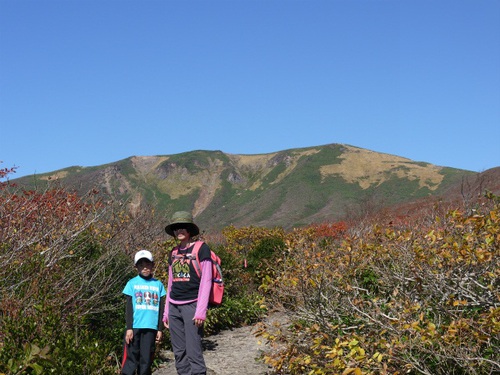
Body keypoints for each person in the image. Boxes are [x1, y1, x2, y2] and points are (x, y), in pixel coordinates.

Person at [163, 211, 213, 375]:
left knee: (193, 351)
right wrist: (166, 312)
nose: (179, 230)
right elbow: (170, 282)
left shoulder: (201, 249)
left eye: (183, 227)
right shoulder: (173, 252)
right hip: (174, 307)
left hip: (192, 306)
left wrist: (201, 311)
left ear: (190, 230)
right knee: (179, 353)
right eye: (176, 228)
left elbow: (206, 280)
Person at [122, 249, 166, 375]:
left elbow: (161, 309)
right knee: (131, 359)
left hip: (151, 328)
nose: (145, 268)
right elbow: (129, 308)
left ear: (152, 265)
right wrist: (129, 328)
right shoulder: (132, 283)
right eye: (141, 265)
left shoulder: (158, 285)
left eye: (147, 264)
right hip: (135, 327)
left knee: (146, 360)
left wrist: (160, 329)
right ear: (136, 267)